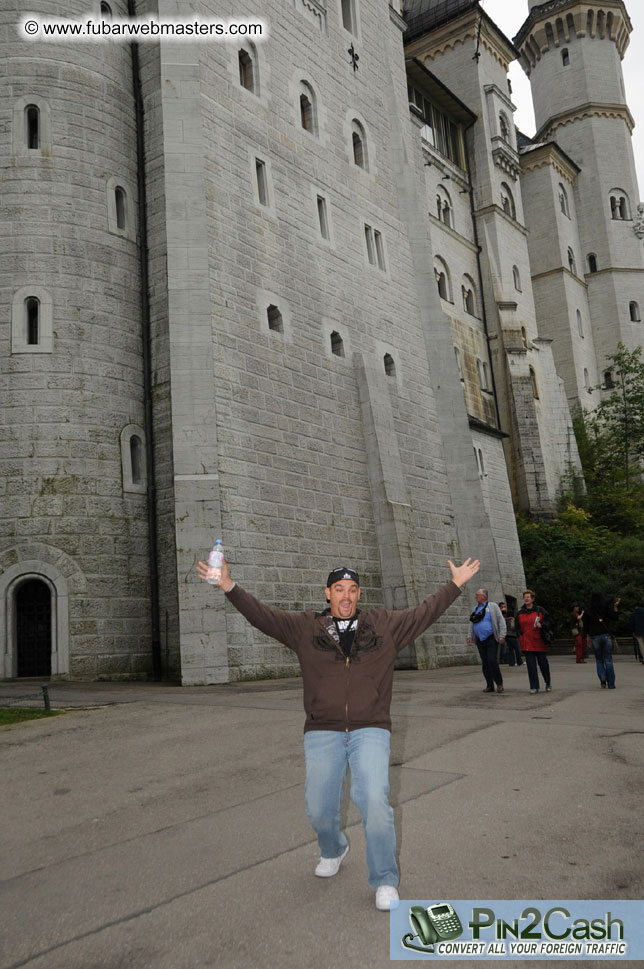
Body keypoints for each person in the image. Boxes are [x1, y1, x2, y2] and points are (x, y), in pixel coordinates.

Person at [197, 553, 480, 911]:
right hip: (323, 728)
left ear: (359, 594)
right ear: (327, 593)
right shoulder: (305, 627)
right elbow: (263, 616)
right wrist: (228, 585)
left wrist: (455, 585)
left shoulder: (383, 625)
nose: (346, 596)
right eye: (339, 589)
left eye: (353, 589)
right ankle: (334, 848)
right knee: (318, 807)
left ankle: (385, 879)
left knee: (374, 799)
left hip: (371, 726)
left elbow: (424, 612)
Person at [467, 589, 506, 693]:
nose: (475, 597)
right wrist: (470, 635)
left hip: (491, 637)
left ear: (484, 596)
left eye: (477, 595)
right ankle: (489, 685)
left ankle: (499, 683)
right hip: (480, 639)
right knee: (485, 662)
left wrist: (502, 635)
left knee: (492, 660)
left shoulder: (493, 606)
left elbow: (501, 620)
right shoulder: (475, 608)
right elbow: (472, 622)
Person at [516, 589, 553, 694]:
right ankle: (534, 686)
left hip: (539, 642)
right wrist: (521, 637)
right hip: (527, 643)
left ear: (532, 599)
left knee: (543, 664)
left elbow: (549, 622)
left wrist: (542, 625)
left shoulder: (540, 610)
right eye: (525, 597)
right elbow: (517, 628)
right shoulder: (520, 613)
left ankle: (548, 682)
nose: (526, 599)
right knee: (531, 666)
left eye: (528, 597)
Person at [584, 592, 620, 688]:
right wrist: (615, 607)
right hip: (606, 635)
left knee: (599, 659)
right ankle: (611, 684)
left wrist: (587, 637)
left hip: (595, 637)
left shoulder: (588, 611)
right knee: (608, 659)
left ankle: (603, 677)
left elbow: (585, 627)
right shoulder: (605, 609)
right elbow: (615, 617)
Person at [500, 602, 522, 667]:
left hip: (507, 636)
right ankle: (519, 661)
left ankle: (511, 662)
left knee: (510, 650)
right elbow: (513, 627)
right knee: (517, 649)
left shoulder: (504, 620)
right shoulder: (512, 619)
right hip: (513, 636)